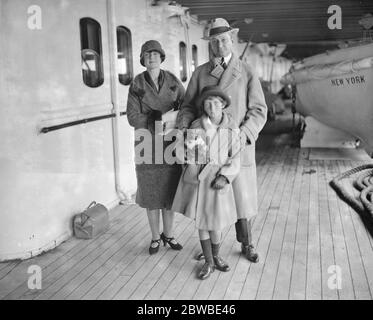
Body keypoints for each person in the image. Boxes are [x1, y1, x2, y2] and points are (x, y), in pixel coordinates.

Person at [176, 18, 268, 262]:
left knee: (242, 200)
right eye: (214, 41)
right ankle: (212, 251)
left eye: (224, 40)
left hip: (237, 146)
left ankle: (247, 243)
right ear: (210, 45)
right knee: (210, 200)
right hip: (207, 149)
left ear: (232, 41)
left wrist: (245, 134)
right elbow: (187, 108)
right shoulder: (200, 73)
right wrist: (185, 130)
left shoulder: (246, 71)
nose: (219, 45)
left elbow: (259, 110)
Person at [172, 85, 240, 279]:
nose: (211, 107)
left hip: (218, 181)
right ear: (203, 106)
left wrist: (225, 175)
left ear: (223, 105)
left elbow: (235, 157)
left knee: (216, 223)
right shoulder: (196, 126)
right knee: (202, 223)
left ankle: (216, 256)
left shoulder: (231, 128)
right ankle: (208, 262)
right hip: (201, 180)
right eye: (207, 103)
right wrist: (191, 164)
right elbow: (193, 155)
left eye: (216, 103)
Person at [127, 40, 185, 255]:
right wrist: (156, 118)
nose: (151, 57)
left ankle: (169, 235)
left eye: (155, 53)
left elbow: (186, 106)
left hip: (170, 143)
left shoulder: (172, 81)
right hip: (146, 143)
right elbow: (133, 118)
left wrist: (176, 121)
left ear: (161, 57)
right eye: (147, 54)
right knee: (151, 194)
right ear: (142, 59)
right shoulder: (137, 84)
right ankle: (154, 238)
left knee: (169, 195)